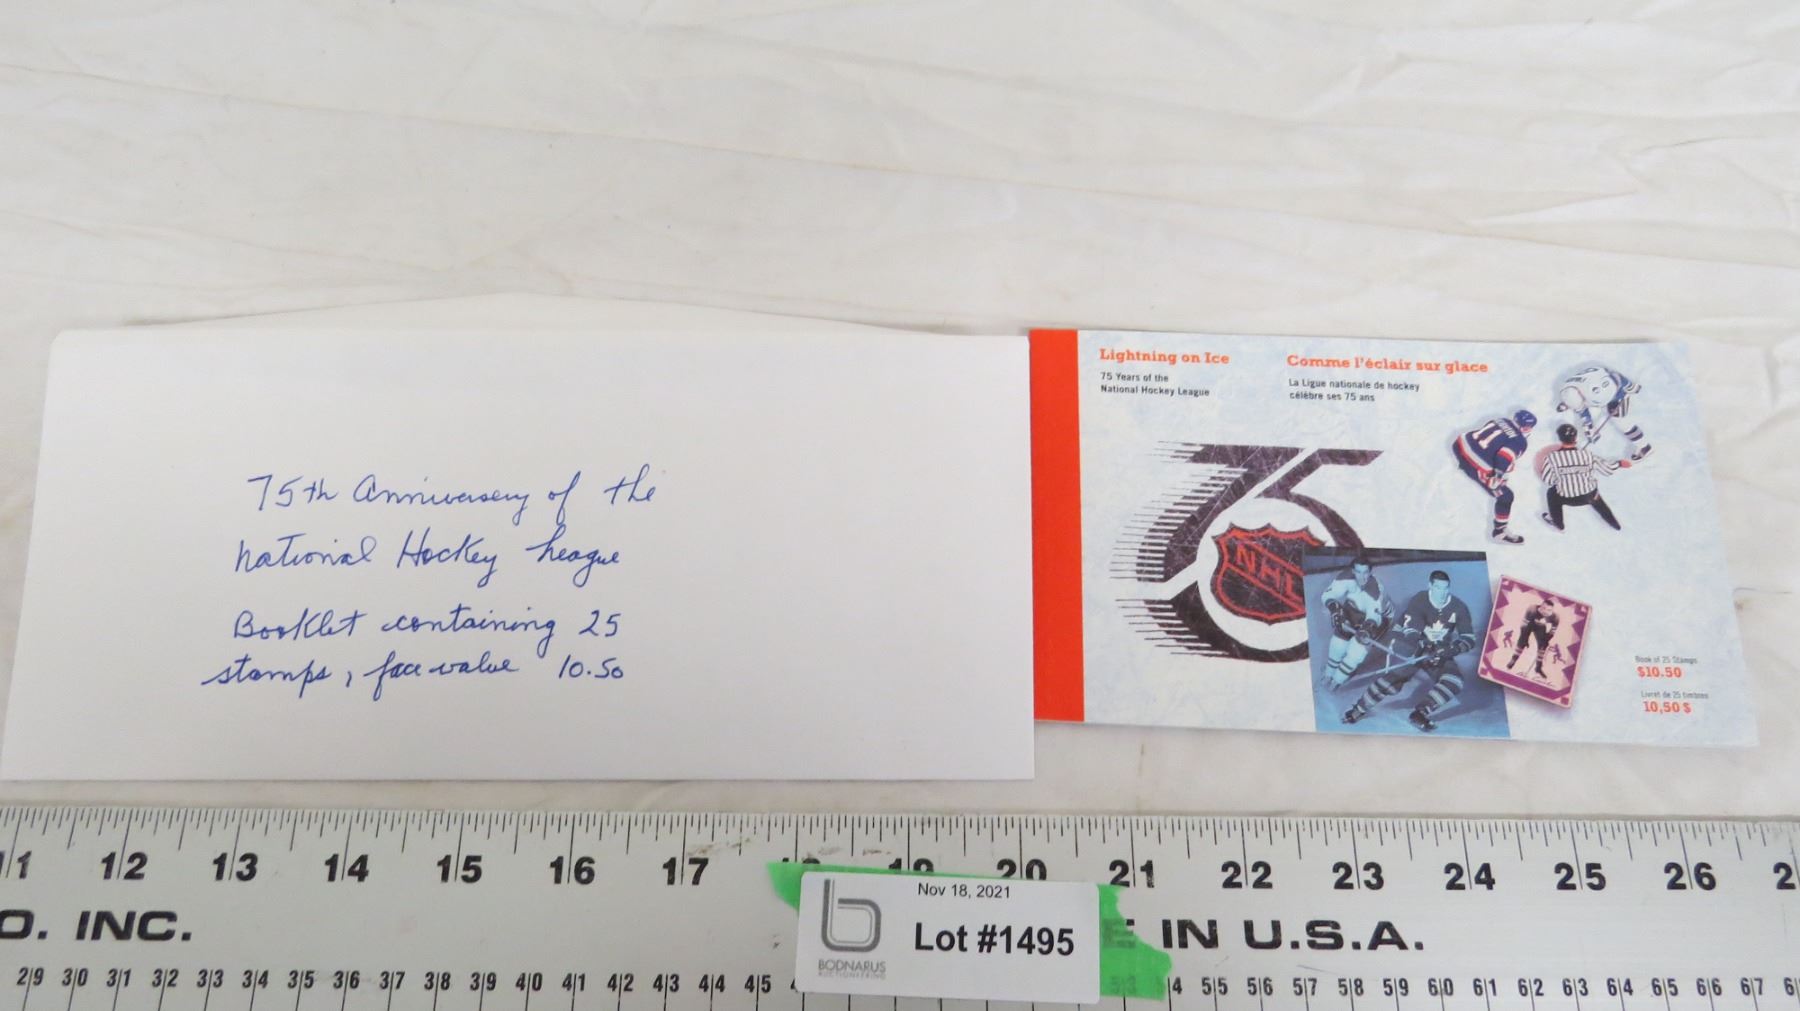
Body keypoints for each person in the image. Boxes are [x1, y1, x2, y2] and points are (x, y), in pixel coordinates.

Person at [1342, 569, 1476, 732]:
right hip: (1414, 646)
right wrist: (1423, 645)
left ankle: (1420, 713)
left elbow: (1469, 638)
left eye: (1445, 588)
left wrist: (1452, 649)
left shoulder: (1459, 607)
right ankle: (1359, 708)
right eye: (1438, 588)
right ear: (1430, 586)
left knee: (1454, 680)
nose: (1442, 593)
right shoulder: (1420, 600)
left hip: (1438, 653)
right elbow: (1412, 630)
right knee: (1391, 682)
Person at [1453, 409, 1536, 544]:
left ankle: (1466, 464)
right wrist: (1497, 477)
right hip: (1472, 462)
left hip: (1459, 444)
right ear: (1526, 427)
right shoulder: (1520, 441)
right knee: (1506, 496)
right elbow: (1503, 457)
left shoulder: (1501, 420)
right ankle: (1499, 532)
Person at [1536, 422, 1630, 531]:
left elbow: (1548, 480)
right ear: (1575, 438)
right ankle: (1615, 525)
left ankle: (1558, 524)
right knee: (1598, 500)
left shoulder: (1551, 458)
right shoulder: (1587, 454)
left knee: (1551, 493)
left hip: (1566, 498)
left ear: (1560, 438)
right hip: (1589, 497)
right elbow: (1606, 469)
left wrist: (1563, 475)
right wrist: (1619, 463)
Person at [1318, 556, 1392, 687]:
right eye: (1358, 572)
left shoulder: (1375, 590)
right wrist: (1334, 608)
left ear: (1370, 572)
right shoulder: (1344, 577)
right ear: (1352, 571)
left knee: (1357, 649)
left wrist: (1366, 629)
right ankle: (1329, 673)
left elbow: (1374, 616)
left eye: (1365, 572)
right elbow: (1328, 595)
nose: (1362, 577)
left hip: (1379, 618)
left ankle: (1337, 679)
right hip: (1354, 609)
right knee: (1339, 640)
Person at [1557, 364, 1651, 460]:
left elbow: (1617, 377)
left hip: (1616, 395)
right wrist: (1588, 425)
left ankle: (1644, 447)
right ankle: (1571, 404)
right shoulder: (1567, 387)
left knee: (1621, 422)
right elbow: (1582, 411)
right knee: (1578, 404)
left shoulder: (1603, 390)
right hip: (1593, 383)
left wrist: (1630, 386)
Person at [1508, 599, 1561, 679]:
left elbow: (1553, 631)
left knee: (1543, 645)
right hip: (1529, 625)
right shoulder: (1532, 609)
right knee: (1522, 641)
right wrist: (1525, 638)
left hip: (1540, 627)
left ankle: (1538, 667)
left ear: (1552, 610)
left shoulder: (1555, 617)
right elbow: (1523, 625)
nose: (1545, 611)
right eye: (1543, 608)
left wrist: (1547, 639)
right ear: (1540, 606)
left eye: (1549, 610)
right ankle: (1513, 659)